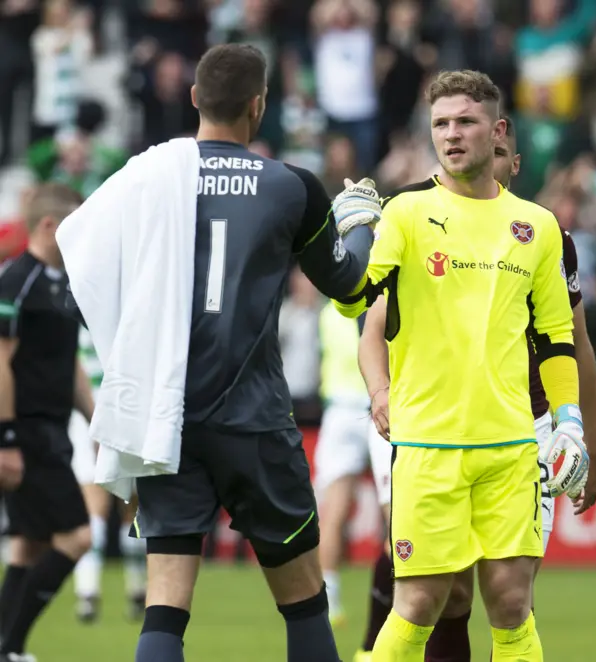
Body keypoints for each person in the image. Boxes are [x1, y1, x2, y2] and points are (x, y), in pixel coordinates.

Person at [62, 44, 381, 662]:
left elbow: (79, 247)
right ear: (260, 104)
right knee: (305, 604)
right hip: (256, 418)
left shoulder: (145, 176)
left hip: (169, 417)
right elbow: (350, 287)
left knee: (164, 611)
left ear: (193, 99)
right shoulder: (291, 186)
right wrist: (359, 225)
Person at [333, 69, 590, 662]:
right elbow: (354, 303)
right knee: (418, 604)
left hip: (512, 447)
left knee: (511, 604)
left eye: (465, 122)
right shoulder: (404, 213)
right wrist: (347, 243)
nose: (451, 135)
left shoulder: (538, 227)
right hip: (428, 445)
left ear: (497, 131)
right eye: (441, 124)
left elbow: (556, 339)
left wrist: (571, 421)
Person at [0, 183, 92, 662]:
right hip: (28, 433)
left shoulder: (64, 285)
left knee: (29, 545)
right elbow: (0, 362)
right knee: (77, 537)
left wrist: (97, 422)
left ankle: (8, 648)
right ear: (49, 226)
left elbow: (69, 363)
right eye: (74, 225)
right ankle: (9, 647)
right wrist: (6, 439)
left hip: (53, 430)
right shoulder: (17, 281)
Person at [314, 303, 391, 627]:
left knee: (334, 511)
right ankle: (396, 600)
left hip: (340, 410)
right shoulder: (383, 305)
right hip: (381, 403)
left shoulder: (329, 312)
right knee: (397, 514)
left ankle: (329, 602)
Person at [69, 326, 147, 623]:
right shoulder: (127, 315)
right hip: (123, 415)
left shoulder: (77, 307)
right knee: (130, 507)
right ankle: (136, 588)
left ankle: (87, 593)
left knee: (97, 508)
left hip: (88, 415)